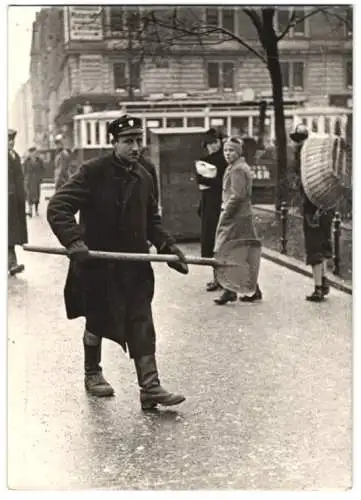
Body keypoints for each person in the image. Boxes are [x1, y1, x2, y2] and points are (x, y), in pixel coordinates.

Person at [47, 115, 189, 410]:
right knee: (97, 319)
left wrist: (168, 245)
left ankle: (150, 387)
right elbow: (59, 206)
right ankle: (92, 372)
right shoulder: (93, 172)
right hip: (98, 263)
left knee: (141, 321)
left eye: (139, 141)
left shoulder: (146, 174)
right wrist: (74, 242)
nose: (136, 147)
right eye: (128, 141)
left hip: (134, 265)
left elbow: (152, 219)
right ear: (113, 143)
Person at [213, 136, 262, 305]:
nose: (227, 153)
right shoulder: (237, 166)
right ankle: (247, 289)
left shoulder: (237, 169)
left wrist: (226, 213)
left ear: (238, 152)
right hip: (242, 216)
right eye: (225, 150)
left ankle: (230, 289)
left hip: (236, 217)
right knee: (241, 252)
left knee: (226, 250)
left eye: (231, 150)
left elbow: (238, 195)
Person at [290, 124, 333, 302]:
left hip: (312, 207)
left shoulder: (304, 163)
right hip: (327, 206)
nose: (297, 144)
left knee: (314, 247)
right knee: (323, 244)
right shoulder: (321, 163)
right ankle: (323, 281)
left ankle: (318, 287)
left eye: (298, 140)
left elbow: (302, 187)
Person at [195, 128, 228, 291]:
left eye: (216, 142)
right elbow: (201, 182)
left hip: (219, 203)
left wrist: (208, 180)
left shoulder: (223, 160)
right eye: (210, 144)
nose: (214, 146)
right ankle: (217, 278)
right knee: (212, 241)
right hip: (209, 203)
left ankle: (222, 279)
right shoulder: (205, 160)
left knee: (219, 241)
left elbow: (210, 182)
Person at [8, 129, 28, 276]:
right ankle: (11, 263)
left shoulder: (14, 156)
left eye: (12, 140)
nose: (11, 142)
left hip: (14, 201)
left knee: (11, 233)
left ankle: (11, 263)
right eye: (8, 140)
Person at [23, 146, 44, 216]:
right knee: (29, 196)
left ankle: (36, 210)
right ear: (30, 153)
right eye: (34, 152)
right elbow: (24, 171)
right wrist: (25, 179)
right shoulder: (27, 161)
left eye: (36, 152)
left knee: (37, 195)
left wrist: (40, 177)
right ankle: (30, 210)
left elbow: (43, 169)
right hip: (29, 181)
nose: (35, 154)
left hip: (36, 181)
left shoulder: (39, 160)